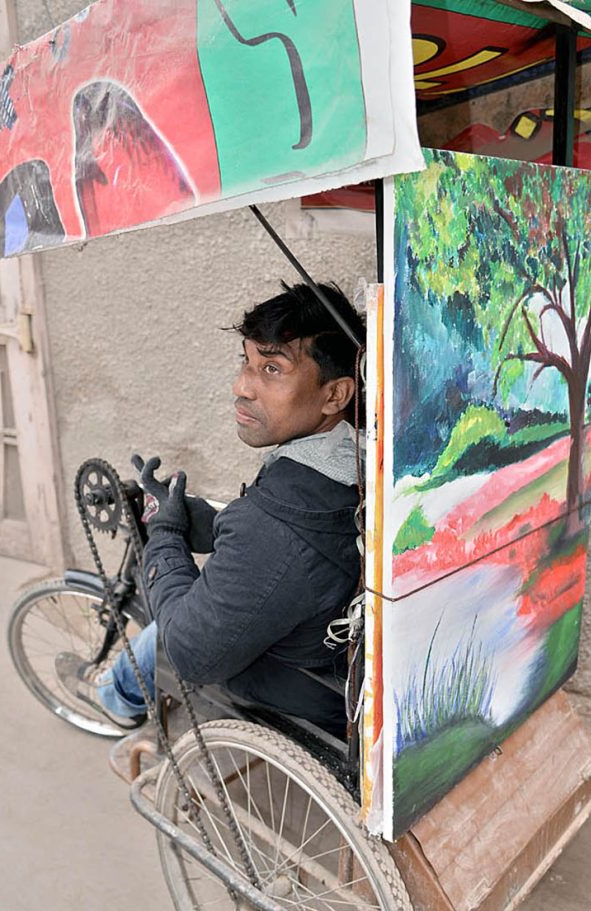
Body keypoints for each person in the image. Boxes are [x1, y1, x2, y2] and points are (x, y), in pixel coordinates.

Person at [56, 281, 365, 737]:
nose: (241, 386)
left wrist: (163, 535)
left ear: (335, 395)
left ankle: (114, 700)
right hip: (328, 657)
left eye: (273, 369)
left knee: (160, 638)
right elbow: (284, 557)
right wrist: (202, 521)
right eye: (247, 360)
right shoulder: (353, 459)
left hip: (302, 692)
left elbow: (189, 652)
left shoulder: (273, 528)